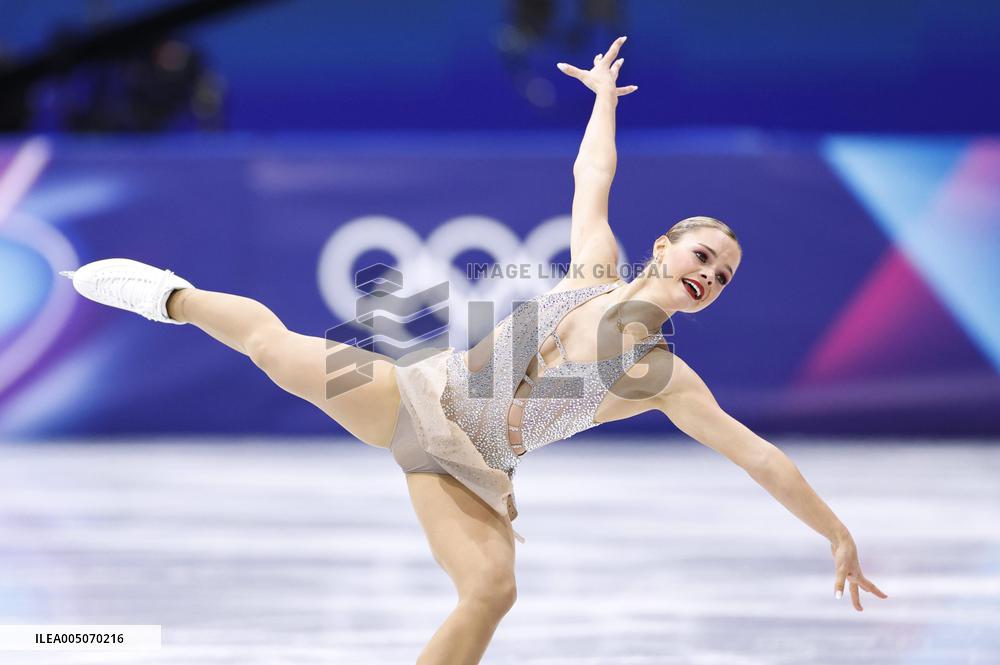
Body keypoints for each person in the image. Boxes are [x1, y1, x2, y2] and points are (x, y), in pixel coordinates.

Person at [58, 36, 887, 665]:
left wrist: (835, 530)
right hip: (413, 396)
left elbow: (759, 456)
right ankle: (168, 294)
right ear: (666, 246)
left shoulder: (665, 378)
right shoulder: (594, 266)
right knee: (274, 348)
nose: (708, 275)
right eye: (702, 256)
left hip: (470, 470)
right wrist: (604, 99)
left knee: (491, 590)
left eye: (724, 276)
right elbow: (592, 174)